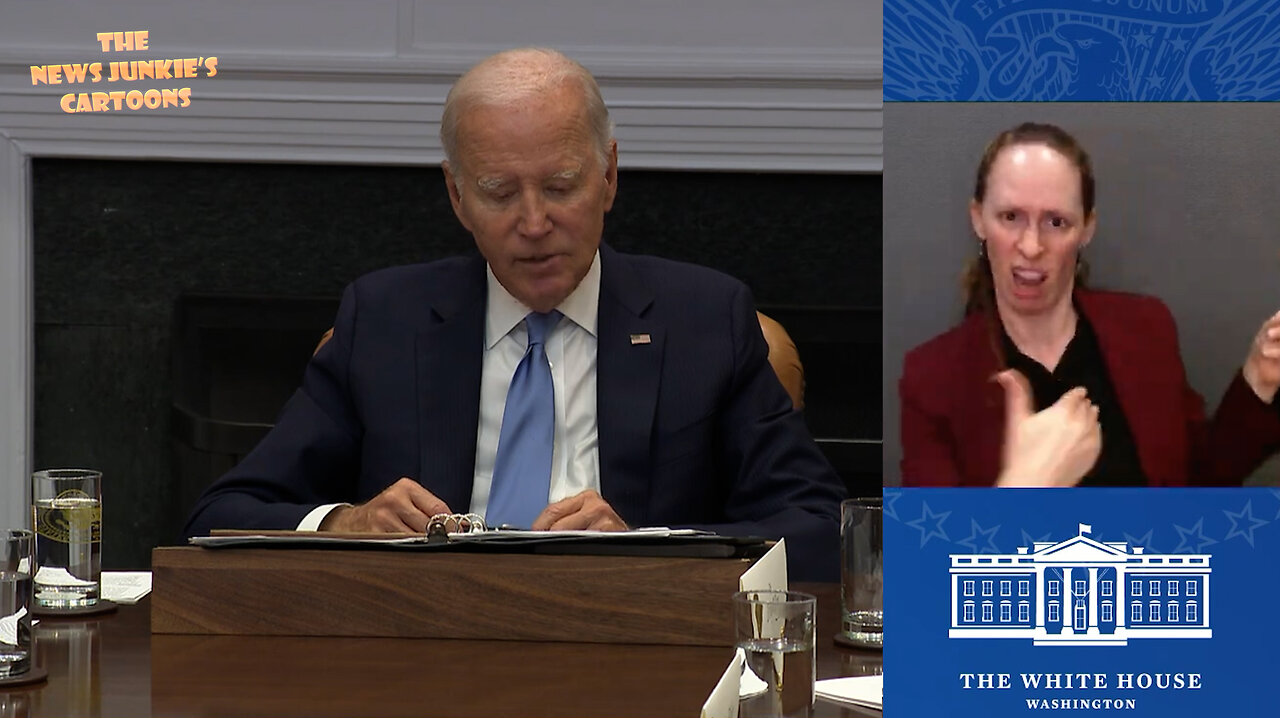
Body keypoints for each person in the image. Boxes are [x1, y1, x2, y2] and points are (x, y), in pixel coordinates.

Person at [184, 48, 844, 580]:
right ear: (457, 195)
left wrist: (648, 545)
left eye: (561, 188)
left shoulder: (704, 320)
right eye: (501, 193)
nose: (534, 223)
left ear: (608, 176)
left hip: (630, 645)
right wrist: (342, 524)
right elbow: (222, 515)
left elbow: (821, 528)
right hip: (421, 649)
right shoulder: (386, 320)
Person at [899, 122, 1280, 487]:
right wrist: (1029, 484)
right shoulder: (932, 379)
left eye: (1056, 222)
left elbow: (1197, 485)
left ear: (1086, 228)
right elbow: (934, 552)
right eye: (1010, 217)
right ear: (978, 220)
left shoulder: (1146, 329)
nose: (1031, 246)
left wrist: (1259, 378)